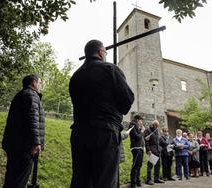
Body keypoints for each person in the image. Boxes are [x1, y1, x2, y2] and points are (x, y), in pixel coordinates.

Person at [69, 39, 134, 188]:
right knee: (104, 181)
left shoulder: (75, 76)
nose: (105, 54)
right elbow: (127, 100)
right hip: (104, 133)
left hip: (79, 134)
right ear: (100, 52)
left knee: (81, 181)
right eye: (105, 52)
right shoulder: (110, 69)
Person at [2, 74, 45, 188]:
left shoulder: (21, 94)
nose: (40, 85)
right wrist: (36, 142)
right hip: (24, 147)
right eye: (39, 83)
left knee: (11, 179)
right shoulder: (31, 95)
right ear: (33, 83)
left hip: (15, 144)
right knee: (18, 182)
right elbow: (32, 120)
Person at [144, 120, 164, 185]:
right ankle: (149, 179)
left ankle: (156, 178)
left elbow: (157, 140)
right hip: (152, 150)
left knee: (158, 165)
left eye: (158, 126)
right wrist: (148, 150)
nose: (157, 127)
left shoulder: (156, 131)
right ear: (153, 124)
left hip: (157, 150)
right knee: (150, 166)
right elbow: (146, 141)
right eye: (156, 126)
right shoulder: (148, 130)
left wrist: (160, 148)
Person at [129, 114, 145, 188]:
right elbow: (137, 137)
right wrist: (141, 131)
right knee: (135, 166)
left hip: (140, 148)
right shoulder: (132, 125)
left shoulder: (137, 126)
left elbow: (140, 137)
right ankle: (133, 183)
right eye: (141, 121)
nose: (142, 122)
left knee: (139, 166)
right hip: (136, 148)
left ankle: (137, 181)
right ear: (138, 120)